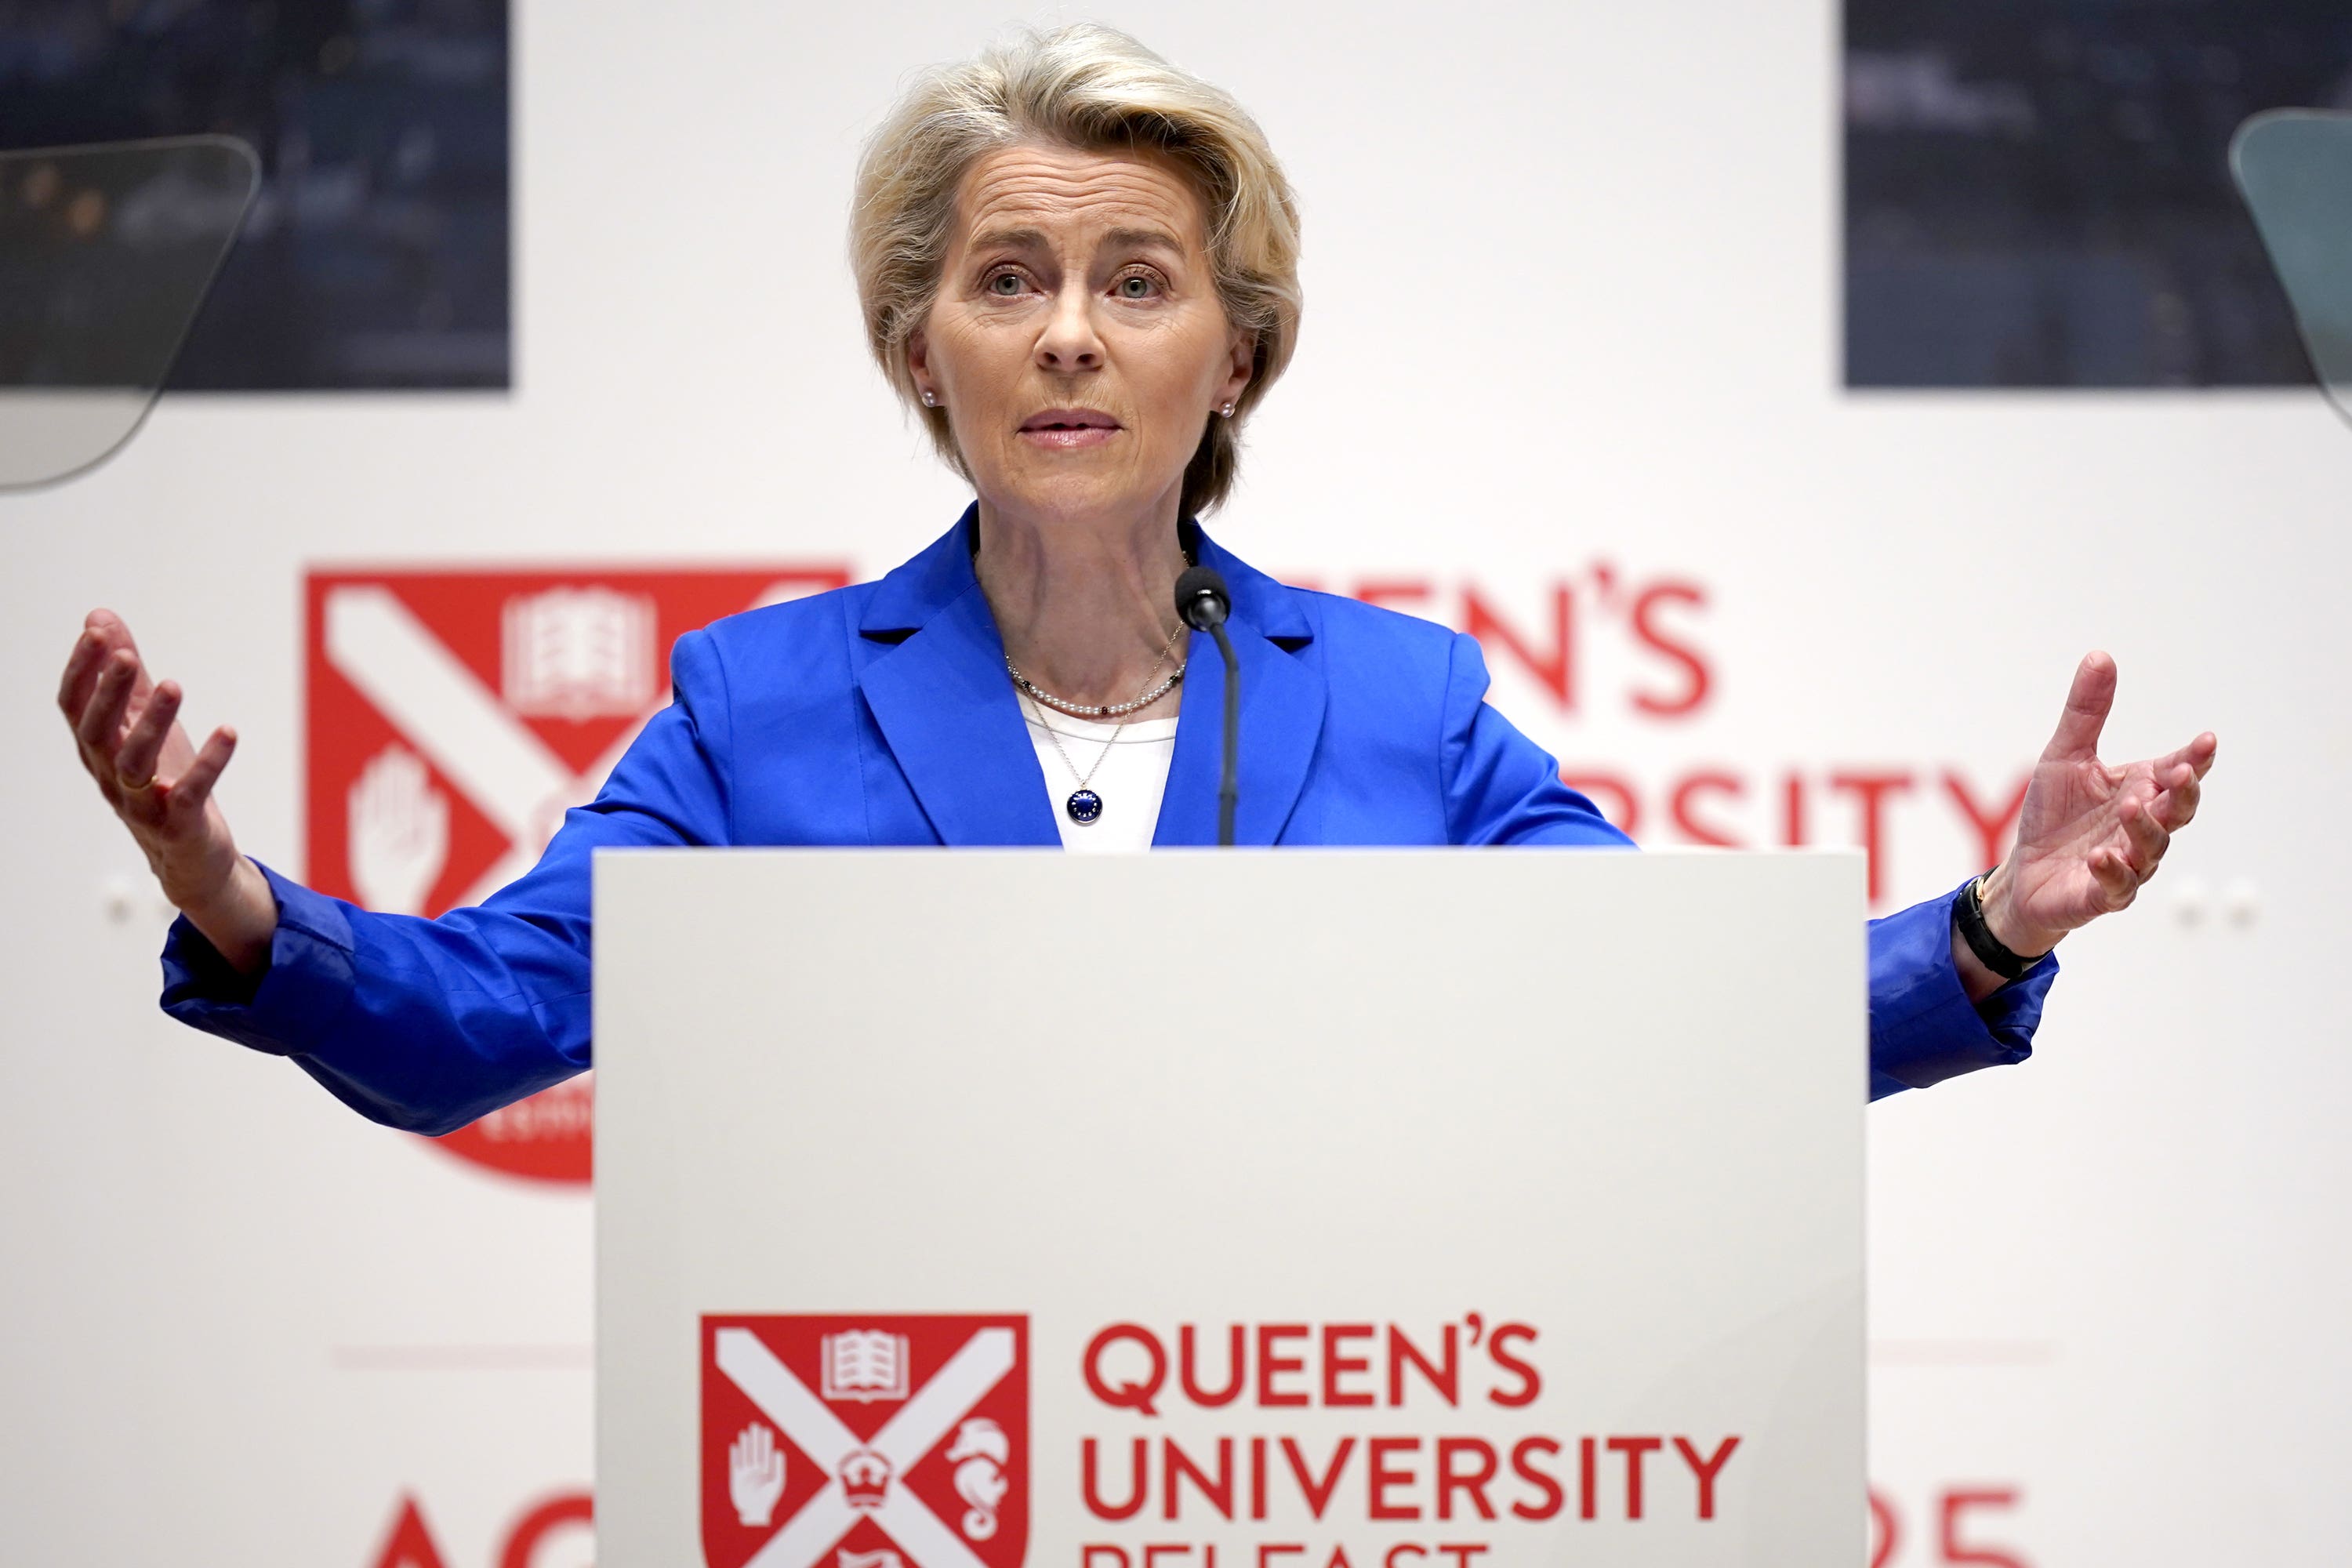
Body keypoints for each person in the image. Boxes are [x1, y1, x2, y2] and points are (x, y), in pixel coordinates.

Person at [56, 25, 2213, 1133]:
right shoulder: (758, 710)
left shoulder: (1406, 712)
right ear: (928, 350)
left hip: (1295, 1470)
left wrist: (1986, 929)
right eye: (1008, 278)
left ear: (1236, 351)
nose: (1069, 331)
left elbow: (1679, 1034)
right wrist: (235, 901)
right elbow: (486, 1028)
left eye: (1135, 279)